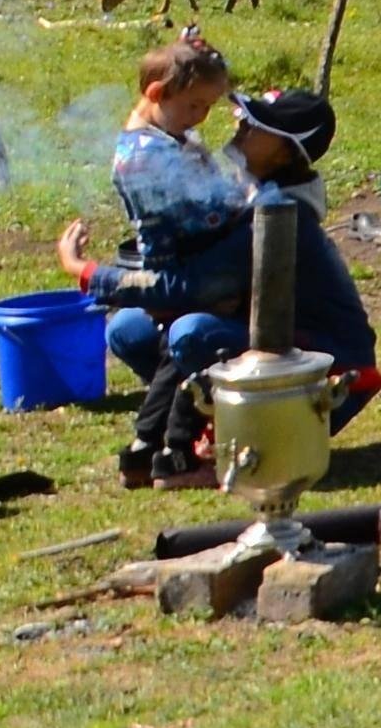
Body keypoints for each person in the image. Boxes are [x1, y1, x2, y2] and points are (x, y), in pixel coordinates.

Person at [53, 34, 253, 489]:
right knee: (190, 359)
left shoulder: (166, 138)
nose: (200, 118)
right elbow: (206, 212)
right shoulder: (145, 158)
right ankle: (171, 455)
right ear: (156, 94)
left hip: (184, 265)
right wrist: (249, 196)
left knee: (174, 365)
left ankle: (146, 453)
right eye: (193, 106)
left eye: (207, 107)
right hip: (178, 270)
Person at [225, 84, 381, 432]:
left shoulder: (280, 215)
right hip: (293, 350)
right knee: (133, 330)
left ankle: (251, 436)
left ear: (285, 154)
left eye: (256, 126)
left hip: (335, 374)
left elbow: (200, 285)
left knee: (196, 332)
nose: (241, 127)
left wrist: (88, 272)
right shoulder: (254, 193)